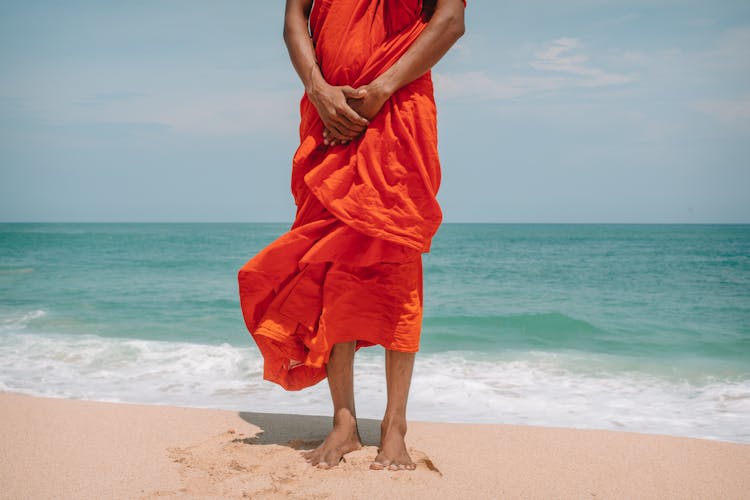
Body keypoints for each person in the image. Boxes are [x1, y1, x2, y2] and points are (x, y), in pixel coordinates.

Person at [238, 0, 465, 471]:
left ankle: (395, 426)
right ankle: (344, 423)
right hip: (329, 114)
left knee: (397, 261)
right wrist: (318, 89)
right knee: (331, 263)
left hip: (398, 108)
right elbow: (293, 18)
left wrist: (382, 87)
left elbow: (451, 20)